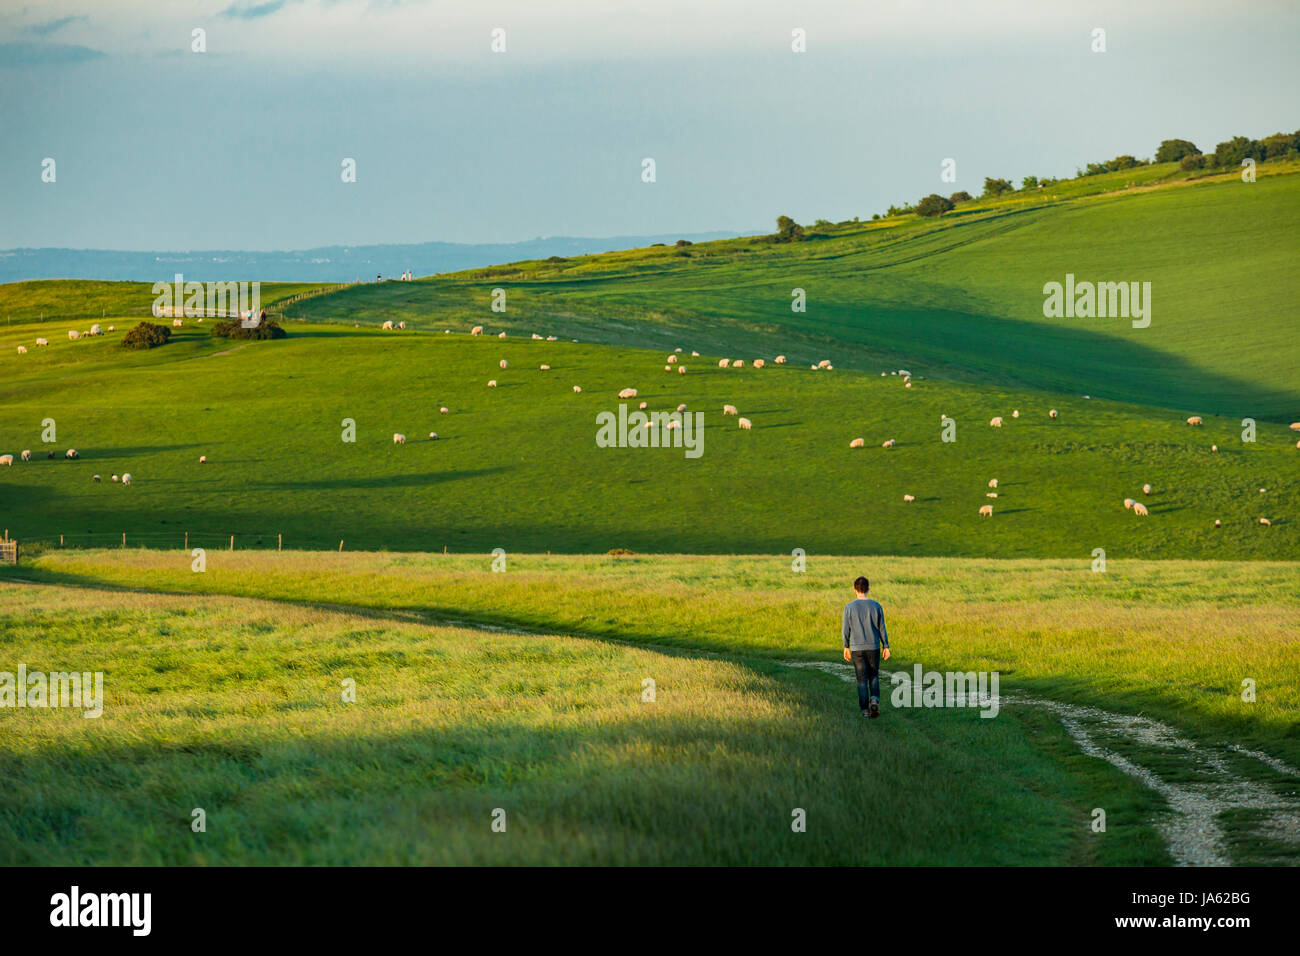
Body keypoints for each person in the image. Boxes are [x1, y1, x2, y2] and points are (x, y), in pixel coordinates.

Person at [842, 576, 890, 718]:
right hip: (873, 646)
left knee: (861, 679)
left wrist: (846, 646)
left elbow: (846, 628)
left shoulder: (849, 607)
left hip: (857, 648)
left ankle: (865, 711)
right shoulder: (876, 606)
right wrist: (886, 646)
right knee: (874, 675)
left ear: (854, 590)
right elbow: (882, 628)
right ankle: (874, 698)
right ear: (868, 589)